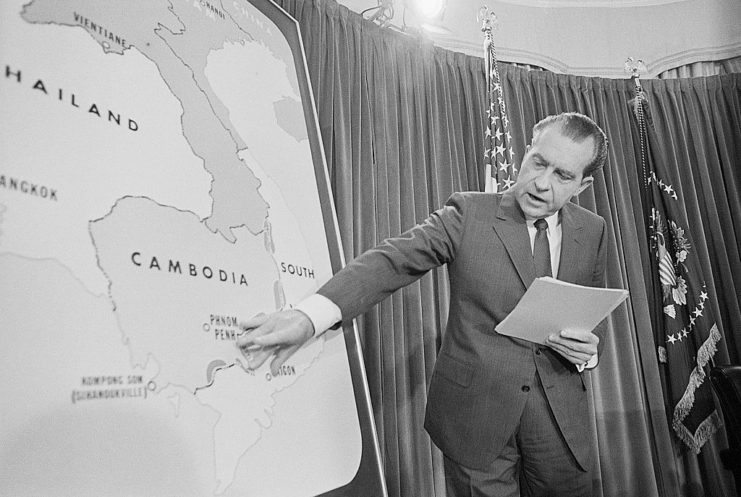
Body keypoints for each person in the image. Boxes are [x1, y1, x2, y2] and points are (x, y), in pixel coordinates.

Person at [238, 112, 609, 497]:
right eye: (538, 162)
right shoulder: (468, 214)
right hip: (475, 419)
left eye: (563, 175)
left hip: (559, 425)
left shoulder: (593, 229)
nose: (542, 183)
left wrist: (590, 352)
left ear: (583, 184)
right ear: (526, 151)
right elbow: (392, 261)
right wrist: (310, 315)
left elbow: (592, 310)